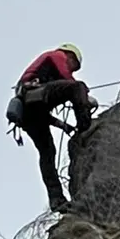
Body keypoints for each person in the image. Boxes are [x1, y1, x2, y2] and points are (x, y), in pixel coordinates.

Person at [8, 43, 97, 213]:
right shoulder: (56, 56)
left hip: (30, 112)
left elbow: (42, 114)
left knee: (47, 153)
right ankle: (86, 127)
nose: (71, 70)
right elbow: (68, 80)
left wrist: (63, 126)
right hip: (36, 97)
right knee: (77, 87)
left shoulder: (45, 77)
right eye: (73, 66)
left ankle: (57, 200)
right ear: (70, 56)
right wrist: (84, 96)